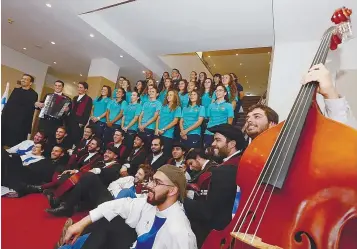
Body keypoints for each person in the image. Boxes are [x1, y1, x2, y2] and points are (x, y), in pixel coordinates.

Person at [58, 164, 197, 249]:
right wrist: (82, 223)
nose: (149, 185)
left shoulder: (180, 232)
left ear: (173, 191)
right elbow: (120, 205)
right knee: (111, 220)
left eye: (157, 182)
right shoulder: (151, 205)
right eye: (152, 181)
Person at [184, 124, 246, 248]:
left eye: (218, 140)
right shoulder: (239, 163)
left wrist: (181, 200)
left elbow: (209, 213)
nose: (213, 144)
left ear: (232, 144)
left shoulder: (226, 170)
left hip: (216, 235)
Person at [45, 145, 122, 216]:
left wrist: (97, 170)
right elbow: (87, 170)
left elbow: (111, 174)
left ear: (115, 156)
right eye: (105, 152)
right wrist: (75, 171)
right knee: (70, 175)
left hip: (101, 192)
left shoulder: (117, 166)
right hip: (87, 187)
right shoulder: (100, 163)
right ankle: (59, 201)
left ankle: (66, 206)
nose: (105, 154)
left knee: (89, 176)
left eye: (109, 153)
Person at [1, 74, 38, 147]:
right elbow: (9, 105)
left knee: (15, 146)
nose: (23, 80)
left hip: (20, 125)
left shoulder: (33, 94)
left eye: (26, 79)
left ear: (30, 83)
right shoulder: (16, 90)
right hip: (8, 121)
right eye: (22, 78)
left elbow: (29, 110)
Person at [204, 84, 234, 148]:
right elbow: (208, 118)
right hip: (209, 132)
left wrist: (226, 133)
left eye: (220, 90)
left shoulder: (229, 105)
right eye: (216, 91)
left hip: (221, 133)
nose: (218, 92)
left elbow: (230, 122)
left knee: (218, 153)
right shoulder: (211, 105)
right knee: (207, 152)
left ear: (225, 93)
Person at [156, 90, 182, 156]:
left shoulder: (177, 108)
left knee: (165, 155)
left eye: (171, 95)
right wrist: (156, 129)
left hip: (168, 135)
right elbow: (158, 118)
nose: (168, 96)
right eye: (168, 95)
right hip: (158, 133)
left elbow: (175, 121)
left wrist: (164, 129)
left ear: (175, 97)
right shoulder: (163, 106)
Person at [67, 82, 93, 147]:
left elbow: (87, 112)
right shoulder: (75, 98)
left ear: (85, 89)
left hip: (79, 123)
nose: (79, 88)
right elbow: (71, 108)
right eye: (78, 87)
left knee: (76, 139)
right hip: (70, 120)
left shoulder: (88, 99)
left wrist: (82, 123)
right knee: (68, 138)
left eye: (81, 87)